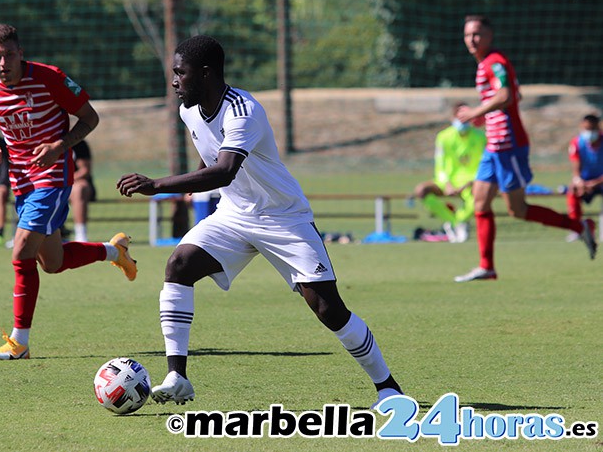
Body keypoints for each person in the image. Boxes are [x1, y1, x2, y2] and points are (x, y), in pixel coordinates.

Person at [117, 35, 403, 408]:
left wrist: (157, 186)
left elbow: (224, 171)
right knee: (179, 264)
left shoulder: (243, 110)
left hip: (284, 218)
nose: (173, 81)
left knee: (328, 309)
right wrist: (193, 181)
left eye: (179, 73)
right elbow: (211, 157)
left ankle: (388, 387)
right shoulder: (189, 109)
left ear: (205, 74)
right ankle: (178, 376)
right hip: (235, 215)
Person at [0, 23, 138, 360]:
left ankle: (19, 341)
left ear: (20, 53)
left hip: (52, 177)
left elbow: (90, 119)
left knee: (21, 253)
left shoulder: (50, 78)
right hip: (20, 181)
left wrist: (58, 146)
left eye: (8, 56)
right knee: (51, 262)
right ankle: (113, 251)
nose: (2, 64)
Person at [454, 15, 596, 283]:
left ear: (489, 35)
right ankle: (487, 267)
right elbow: (512, 96)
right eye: (467, 35)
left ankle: (580, 225)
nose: (472, 40)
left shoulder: (495, 61)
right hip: (493, 145)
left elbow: (507, 96)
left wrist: (476, 111)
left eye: (477, 34)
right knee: (480, 201)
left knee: (517, 210)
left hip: (508, 144)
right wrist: (484, 116)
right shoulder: (486, 63)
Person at [414, 102, 486, 243]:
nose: (463, 121)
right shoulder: (444, 137)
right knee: (421, 190)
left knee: (481, 194)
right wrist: (447, 183)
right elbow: (440, 164)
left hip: (471, 181)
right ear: (453, 118)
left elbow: (484, 164)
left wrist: (471, 181)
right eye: (460, 117)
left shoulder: (480, 137)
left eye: (466, 117)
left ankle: (460, 221)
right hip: (447, 181)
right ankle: (454, 222)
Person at [566, 114, 603, 240]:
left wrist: (596, 182)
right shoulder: (577, 143)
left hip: (601, 181)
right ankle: (577, 229)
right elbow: (576, 168)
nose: (589, 132)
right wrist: (579, 181)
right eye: (586, 129)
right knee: (573, 191)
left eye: (592, 129)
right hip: (585, 182)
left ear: (598, 127)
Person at [69, 139, 96, 242]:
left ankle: (81, 234)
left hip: (74, 183)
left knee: (80, 188)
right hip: (51, 184)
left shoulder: (78, 143)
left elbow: (84, 170)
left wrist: (65, 180)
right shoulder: (43, 141)